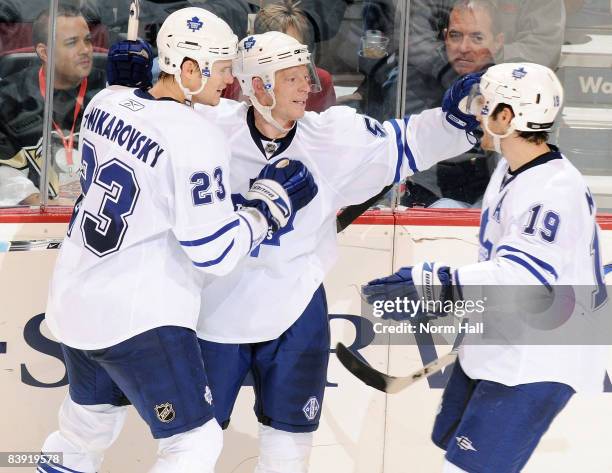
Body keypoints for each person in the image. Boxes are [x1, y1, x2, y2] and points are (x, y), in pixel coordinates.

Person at [38, 8, 317, 473]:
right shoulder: (195, 135)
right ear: (189, 69)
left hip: (74, 302)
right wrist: (267, 209)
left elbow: (131, 108)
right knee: (194, 444)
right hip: (138, 318)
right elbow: (215, 252)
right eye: (223, 68)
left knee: (84, 429)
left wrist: (125, 85)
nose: (230, 81)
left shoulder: (104, 103)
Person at [191, 31, 480, 473]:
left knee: (288, 448)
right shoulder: (204, 130)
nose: (306, 85)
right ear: (257, 85)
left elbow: (407, 142)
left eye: (304, 74)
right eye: (290, 78)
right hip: (212, 307)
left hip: (295, 303)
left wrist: (456, 121)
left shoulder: (332, 136)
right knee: (191, 445)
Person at [362, 62, 609, 473]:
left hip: (537, 359)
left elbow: (525, 279)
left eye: (485, 104)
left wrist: (439, 285)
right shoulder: (514, 170)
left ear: (507, 117)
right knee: (450, 447)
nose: (477, 112)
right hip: (506, 340)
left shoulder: (551, 191)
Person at [0, 4, 105, 205]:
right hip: (35, 227)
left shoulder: (109, 94)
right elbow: (4, 171)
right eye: (72, 42)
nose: (85, 50)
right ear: (44, 52)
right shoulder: (8, 99)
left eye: (88, 40)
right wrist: (43, 205)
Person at [403, 0, 503, 208]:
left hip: (482, 197)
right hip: (421, 194)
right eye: (456, 36)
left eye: (477, 37)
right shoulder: (412, 83)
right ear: (445, 37)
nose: (463, 48)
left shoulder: (509, 94)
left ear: (497, 42)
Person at [222, 0, 337, 113]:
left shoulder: (321, 80)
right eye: (279, 49)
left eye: (293, 47)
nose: (287, 57)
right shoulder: (231, 78)